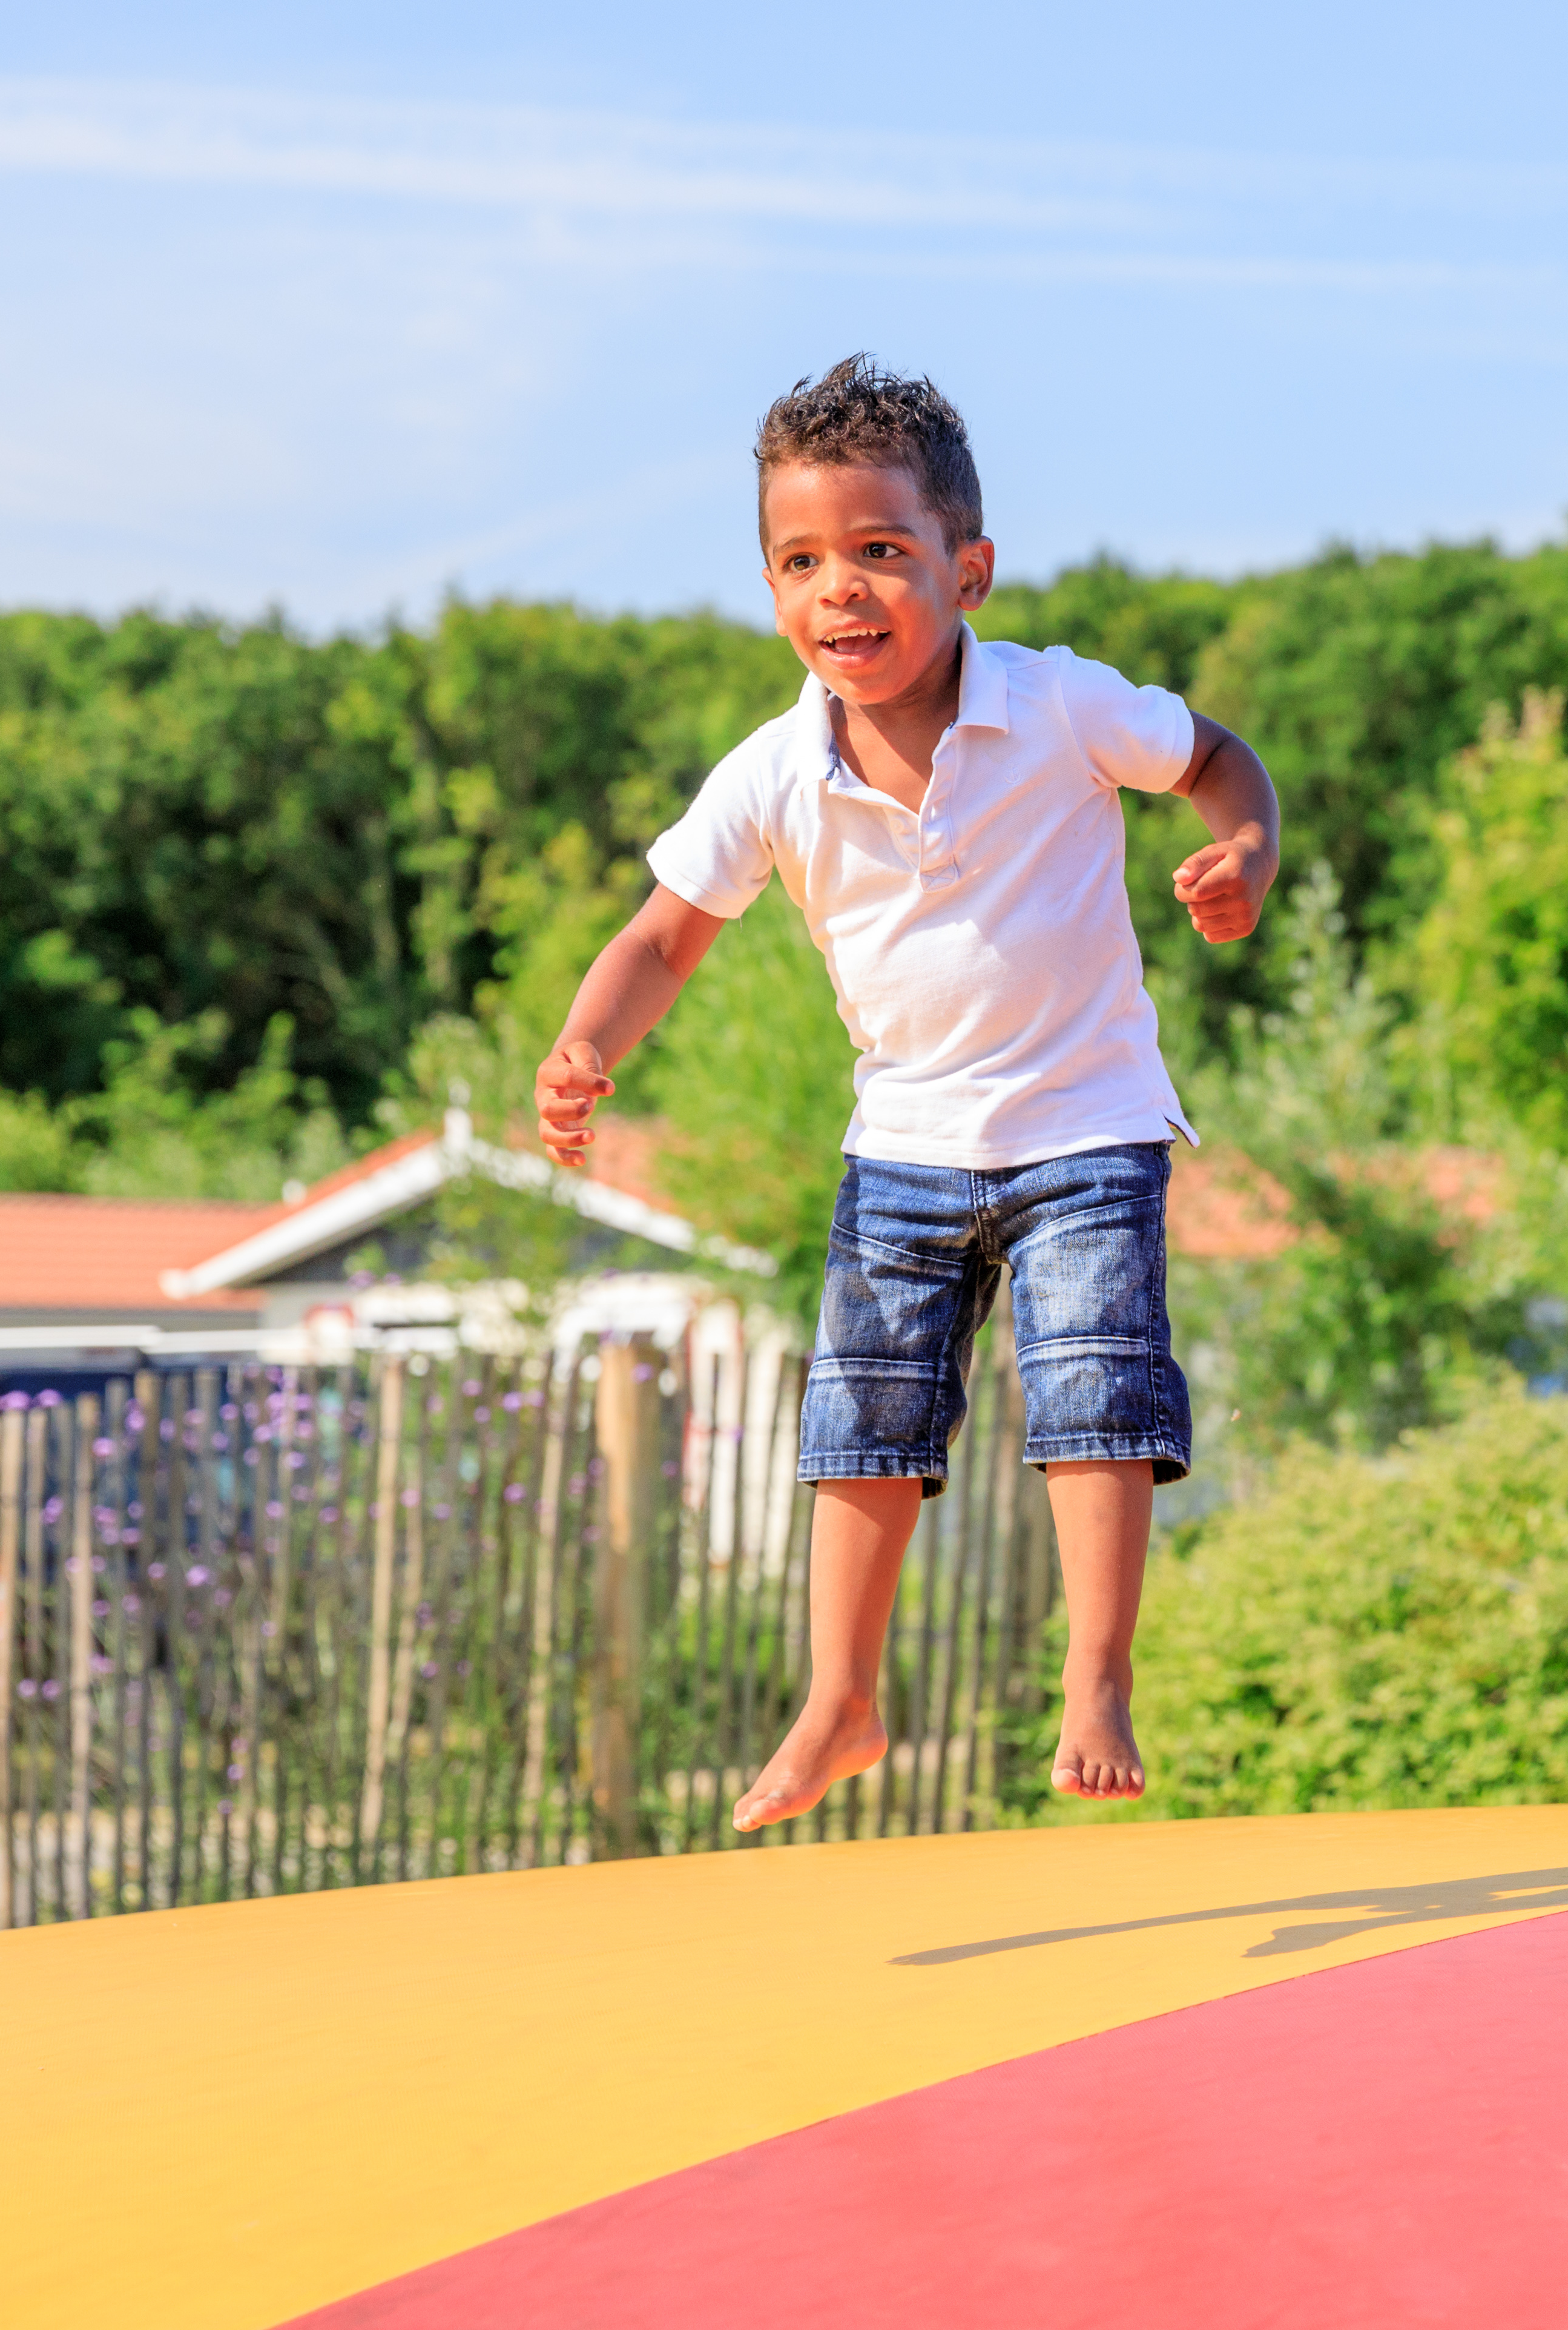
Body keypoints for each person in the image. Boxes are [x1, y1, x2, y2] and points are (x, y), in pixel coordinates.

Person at [533, 355, 1279, 1829]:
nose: (844, 590)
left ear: (968, 568)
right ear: (769, 590)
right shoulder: (772, 773)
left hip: (1086, 1121)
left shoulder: (1060, 705)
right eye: (803, 561)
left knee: (1094, 1387)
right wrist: (584, 1044)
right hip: (908, 1144)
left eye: (882, 552)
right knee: (861, 1416)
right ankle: (842, 1699)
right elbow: (662, 934)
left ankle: (1099, 1673)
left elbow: (1220, 761)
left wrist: (1242, 853)